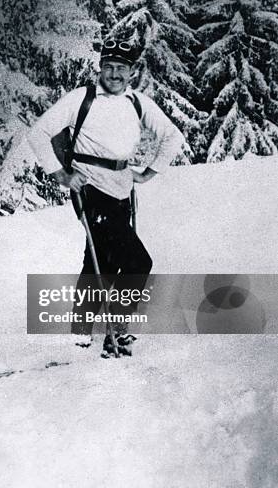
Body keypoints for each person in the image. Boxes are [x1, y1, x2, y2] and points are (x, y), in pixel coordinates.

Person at [28, 39, 184, 356]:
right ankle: (116, 330)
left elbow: (172, 136)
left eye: (121, 68)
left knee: (101, 257)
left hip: (122, 189)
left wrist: (149, 172)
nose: (114, 74)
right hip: (90, 190)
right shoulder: (80, 99)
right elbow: (38, 134)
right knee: (138, 261)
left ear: (131, 72)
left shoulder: (137, 102)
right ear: (100, 67)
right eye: (109, 67)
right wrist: (62, 175)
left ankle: (81, 330)